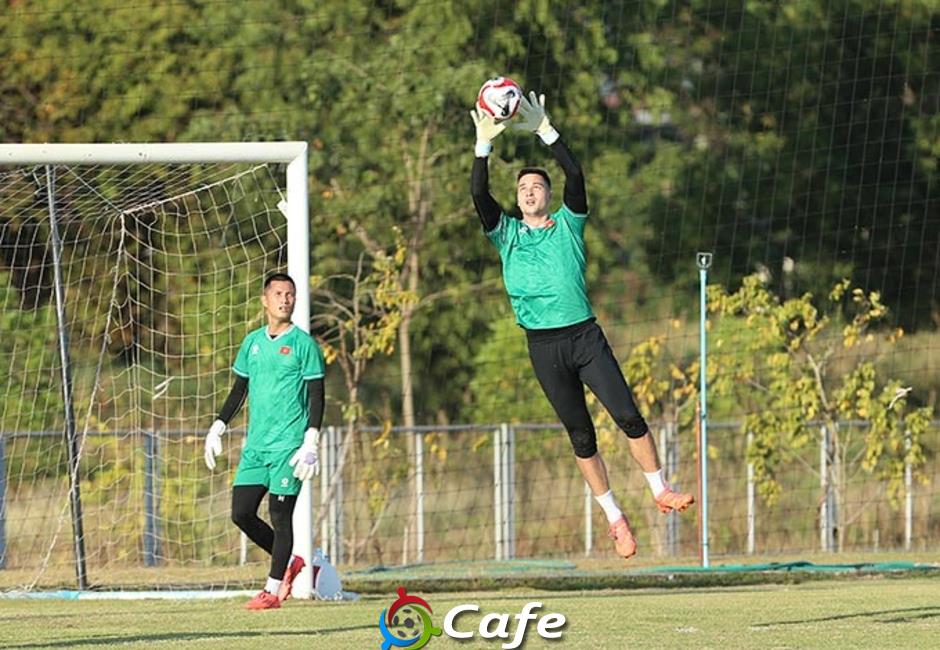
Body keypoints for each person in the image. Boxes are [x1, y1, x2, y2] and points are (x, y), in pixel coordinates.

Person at [470, 93, 694, 560]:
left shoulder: (569, 224)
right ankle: (615, 519)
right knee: (581, 436)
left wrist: (545, 130)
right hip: (544, 347)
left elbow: (576, 174)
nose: (529, 191)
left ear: (548, 196)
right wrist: (482, 147)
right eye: (522, 187)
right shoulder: (506, 234)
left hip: (584, 338)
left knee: (628, 416)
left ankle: (660, 489)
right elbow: (478, 195)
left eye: (536, 186)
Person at [204, 272, 325, 609]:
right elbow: (239, 389)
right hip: (256, 447)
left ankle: (271, 591)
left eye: (290, 294)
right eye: (279, 294)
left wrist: (311, 441)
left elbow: (317, 396)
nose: (285, 300)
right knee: (241, 513)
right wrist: (218, 425)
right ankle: (289, 562)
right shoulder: (252, 343)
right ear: (265, 300)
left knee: (280, 515)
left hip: (289, 447)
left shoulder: (304, 345)